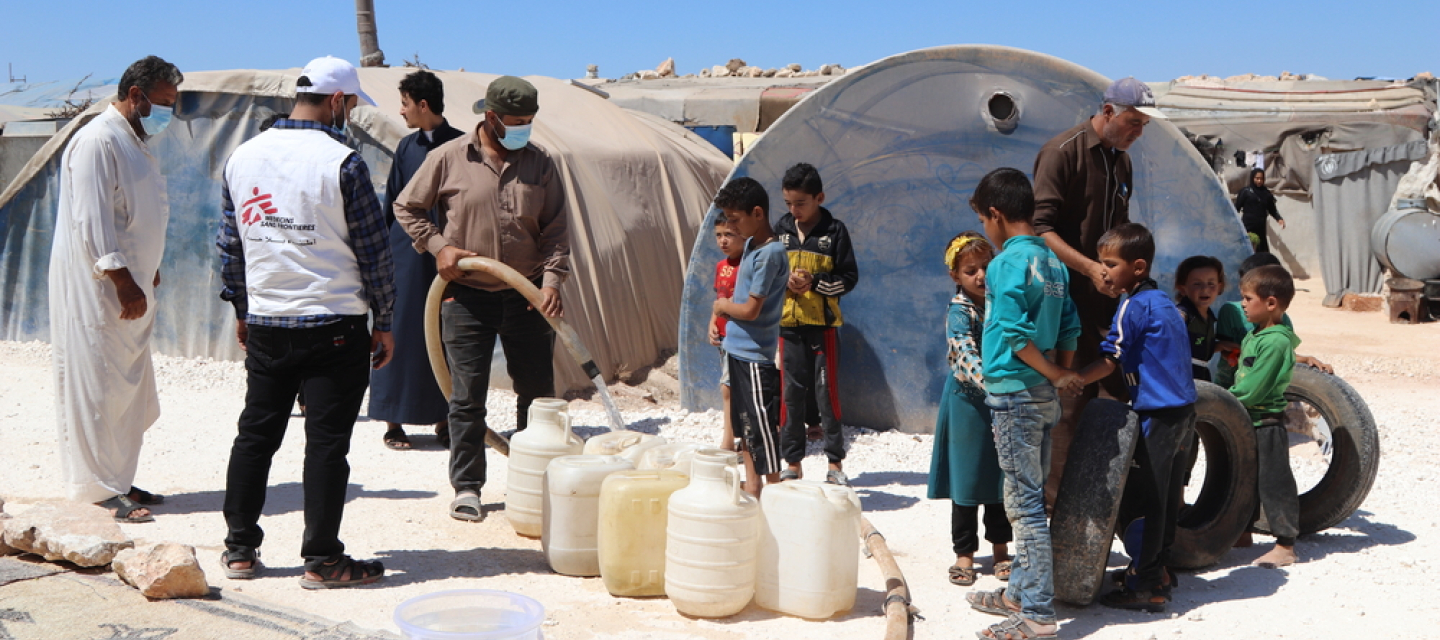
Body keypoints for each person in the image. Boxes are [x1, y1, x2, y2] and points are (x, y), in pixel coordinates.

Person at [216, 56, 393, 588]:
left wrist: (243, 310)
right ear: (336, 101)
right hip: (334, 324)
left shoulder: (241, 158)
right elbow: (373, 252)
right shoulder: (343, 163)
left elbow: (230, 246)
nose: (352, 114)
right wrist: (384, 320)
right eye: (353, 104)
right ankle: (321, 559)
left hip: (270, 322)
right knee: (326, 444)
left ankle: (240, 550)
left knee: (256, 434)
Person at [394, 76, 569, 522]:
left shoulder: (541, 165)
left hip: (526, 294)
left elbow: (556, 231)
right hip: (465, 297)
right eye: (515, 122)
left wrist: (550, 282)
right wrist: (439, 248)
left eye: (529, 121)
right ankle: (468, 486)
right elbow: (406, 207)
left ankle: (537, 482)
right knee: (467, 397)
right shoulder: (448, 158)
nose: (524, 129)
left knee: (537, 395)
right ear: (490, 118)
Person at [50, 55, 183, 524]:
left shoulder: (134, 142)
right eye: (164, 104)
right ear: (135, 96)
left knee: (127, 388)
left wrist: (151, 267)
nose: (169, 113)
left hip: (133, 283)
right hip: (102, 290)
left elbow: (135, 214)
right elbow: (93, 222)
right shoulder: (96, 141)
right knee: (98, 385)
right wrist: (125, 280)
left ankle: (120, 480)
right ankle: (97, 489)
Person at [1032, 76, 1167, 508]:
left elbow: (1120, 235)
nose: (1138, 132)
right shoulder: (1062, 152)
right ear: (1107, 112)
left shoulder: (1121, 161)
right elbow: (1041, 229)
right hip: (1066, 302)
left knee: (1114, 396)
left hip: (1109, 301)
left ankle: (1107, 504)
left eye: (1144, 124)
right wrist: (1090, 268)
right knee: (1068, 405)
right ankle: (1057, 514)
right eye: (1133, 122)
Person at [964, 168, 1080, 640]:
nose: (985, 232)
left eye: (982, 221)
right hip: (1042, 395)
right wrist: (1060, 373)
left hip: (1014, 393)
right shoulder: (1053, 262)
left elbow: (1012, 334)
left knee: (1025, 505)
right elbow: (1069, 326)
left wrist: (1053, 373)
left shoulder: (1005, 264)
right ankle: (1016, 594)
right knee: (1029, 496)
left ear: (994, 215)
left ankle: (1036, 615)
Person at [1071, 223, 1196, 613]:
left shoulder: (1134, 305)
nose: (1103, 271)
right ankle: (1158, 571)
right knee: (1166, 496)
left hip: (1157, 415)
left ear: (1138, 267)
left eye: (1110, 263)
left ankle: (1143, 584)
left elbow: (1112, 357)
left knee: (1143, 498)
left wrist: (1072, 379)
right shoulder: (1164, 303)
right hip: (1184, 412)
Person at [368, 70, 463, 451]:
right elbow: (393, 201)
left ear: (423, 105)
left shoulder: (462, 145)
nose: (402, 111)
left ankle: (444, 420)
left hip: (449, 256)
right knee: (401, 331)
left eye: (406, 103)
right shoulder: (406, 148)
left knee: (445, 335)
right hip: (405, 257)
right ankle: (393, 421)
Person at [927, 231, 1012, 588]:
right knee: (966, 477)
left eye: (986, 267)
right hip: (968, 401)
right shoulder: (959, 311)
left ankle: (1001, 550)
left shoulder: (1002, 303)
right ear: (955, 277)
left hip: (999, 398)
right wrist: (995, 384)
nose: (980, 276)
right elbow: (964, 354)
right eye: (970, 270)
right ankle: (964, 554)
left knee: (999, 473)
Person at [774, 163, 859, 486]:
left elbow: (849, 278)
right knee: (791, 394)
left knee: (827, 393)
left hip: (822, 327)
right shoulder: (780, 229)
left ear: (819, 197)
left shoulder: (834, 231)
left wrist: (815, 282)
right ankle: (792, 462)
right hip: (788, 327)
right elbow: (768, 273)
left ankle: (835, 463)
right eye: (788, 204)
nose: (794, 211)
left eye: (801, 203)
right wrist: (786, 282)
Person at [712, 177, 789, 498]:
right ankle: (753, 485)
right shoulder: (753, 246)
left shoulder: (769, 252)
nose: (731, 226)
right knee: (745, 424)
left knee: (760, 426)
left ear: (757, 213)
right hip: (737, 349)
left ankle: (775, 491)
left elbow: (752, 310)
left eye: (735, 219)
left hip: (755, 354)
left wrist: (723, 306)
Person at [1229, 265, 1302, 568]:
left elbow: (1255, 388)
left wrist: (1225, 401)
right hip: (1247, 421)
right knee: (1245, 478)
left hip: (1266, 423)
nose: (1242, 304)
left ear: (1271, 303)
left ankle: (1285, 545)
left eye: (1247, 298)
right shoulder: (1256, 334)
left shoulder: (1275, 342)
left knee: (1274, 482)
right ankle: (1243, 533)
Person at [1214, 252, 1332, 388]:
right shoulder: (1231, 312)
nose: (1244, 303)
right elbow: (1223, 347)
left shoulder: (1283, 321)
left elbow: (1281, 356)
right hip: (1228, 385)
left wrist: (1306, 360)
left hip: (1258, 390)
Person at [707, 216, 745, 452]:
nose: (723, 240)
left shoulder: (748, 265)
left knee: (730, 387)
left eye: (729, 235)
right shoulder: (721, 266)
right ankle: (730, 439)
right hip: (724, 337)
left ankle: (729, 442)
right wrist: (712, 323)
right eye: (719, 235)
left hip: (741, 336)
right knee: (728, 386)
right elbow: (718, 300)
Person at [1174, 255, 1225, 381]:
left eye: (1211, 283)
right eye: (1197, 284)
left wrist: (1220, 346)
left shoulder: (1209, 317)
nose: (1205, 289)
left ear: (1219, 287)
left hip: (1201, 377)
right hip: (1182, 379)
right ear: (1182, 289)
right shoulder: (1182, 315)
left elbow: (1196, 346)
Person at [1234, 168, 1284, 253]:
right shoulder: (1245, 192)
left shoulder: (1266, 194)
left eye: (1261, 179)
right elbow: (1236, 208)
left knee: (1262, 251)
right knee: (1248, 249)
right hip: (1248, 226)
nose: (1259, 181)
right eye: (1257, 178)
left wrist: (1279, 219)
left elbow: (1272, 209)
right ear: (1252, 178)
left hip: (1260, 227)